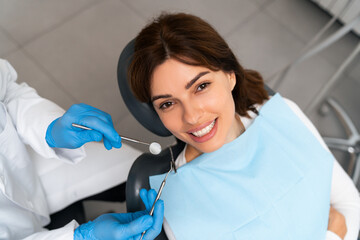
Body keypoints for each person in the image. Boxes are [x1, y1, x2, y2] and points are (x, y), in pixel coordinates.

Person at [128, 13, 360, 240]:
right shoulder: (175, 199)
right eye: (167, 103)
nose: (191, 116)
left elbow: (349, 204)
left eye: (201, 86)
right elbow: (340, 222)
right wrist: (333, 234)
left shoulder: (282, 117)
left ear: (230, 75)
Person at [0, 58, 164, 240]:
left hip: (25, 173)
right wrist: (83, 236)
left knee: (133, 170)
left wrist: (50, 127)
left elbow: (7, 93)